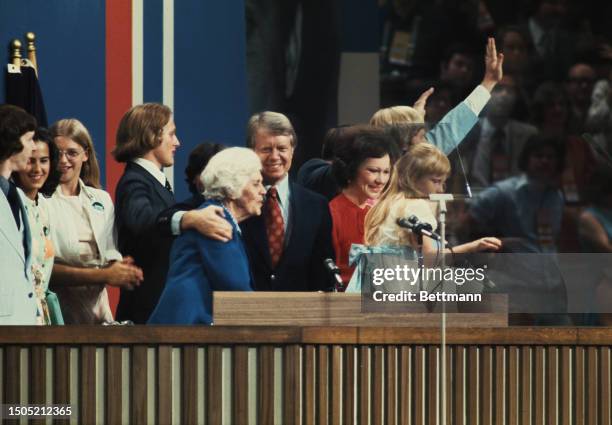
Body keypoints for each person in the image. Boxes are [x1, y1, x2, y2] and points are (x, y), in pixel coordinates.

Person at [113, 104, 230, 323]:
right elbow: (141, 220)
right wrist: (188, 219)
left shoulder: (153, 181)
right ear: (151, 135)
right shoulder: (134, 181)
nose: (177, 142)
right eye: (172, 134)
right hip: (145, 311)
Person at [148, 147, 266, 324]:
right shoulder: (214, 219)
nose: (263, 191)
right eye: (256, 183)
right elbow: (236, 286)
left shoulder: (219, 217)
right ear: (232, 188)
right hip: (182, 333)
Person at [47, 119, 143, 324]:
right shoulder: (39, 200)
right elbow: (45, 270)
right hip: (57, 318)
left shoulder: (101, 199)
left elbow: (110, 256)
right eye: (57, 153)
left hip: (98, 317)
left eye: (71, 153)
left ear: (86, 154)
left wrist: (123, 271)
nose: (63, 161)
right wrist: (104, 275)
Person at [241, 111, 335, 291]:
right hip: (245, 311)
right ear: (251, 151)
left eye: (282, 149)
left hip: (299, 313)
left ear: (292, 150)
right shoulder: (235, 200)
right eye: (266, 149)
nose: (275, 156)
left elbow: (321, 271)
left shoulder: (316, 205)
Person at [329, 126, 399, 285]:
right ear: (352, 169)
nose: (381, 180)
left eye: (386, 172)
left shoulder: (386, 211)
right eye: (373, 171)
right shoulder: (332, 214)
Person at [12, 127, 63, 324]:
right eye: (30, 160)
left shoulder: (45, 206)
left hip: (42, 318)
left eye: (44, 160)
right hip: (17, 318)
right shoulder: (9, 204)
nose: (37, 169)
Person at [0, 104, 39, 325]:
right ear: (12, 142)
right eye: (29, 139)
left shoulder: (18, 195)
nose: (34, 148)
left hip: (23, 323)